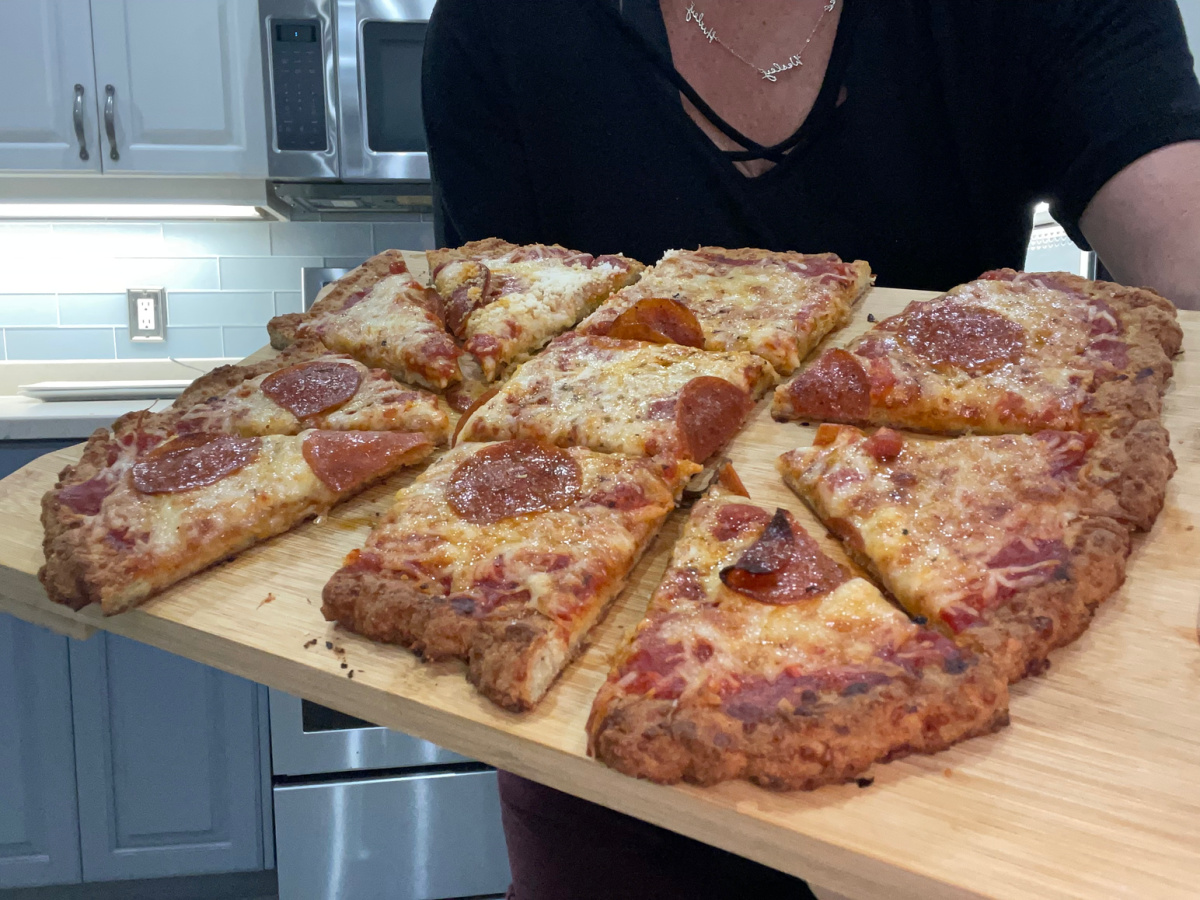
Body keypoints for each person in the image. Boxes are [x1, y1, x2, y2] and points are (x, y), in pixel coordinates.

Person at [421, 2, 1200, 897]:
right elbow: (493, 352)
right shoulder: (502, 23)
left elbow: (1182, 235)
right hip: (603, 799)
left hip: (979, 772)